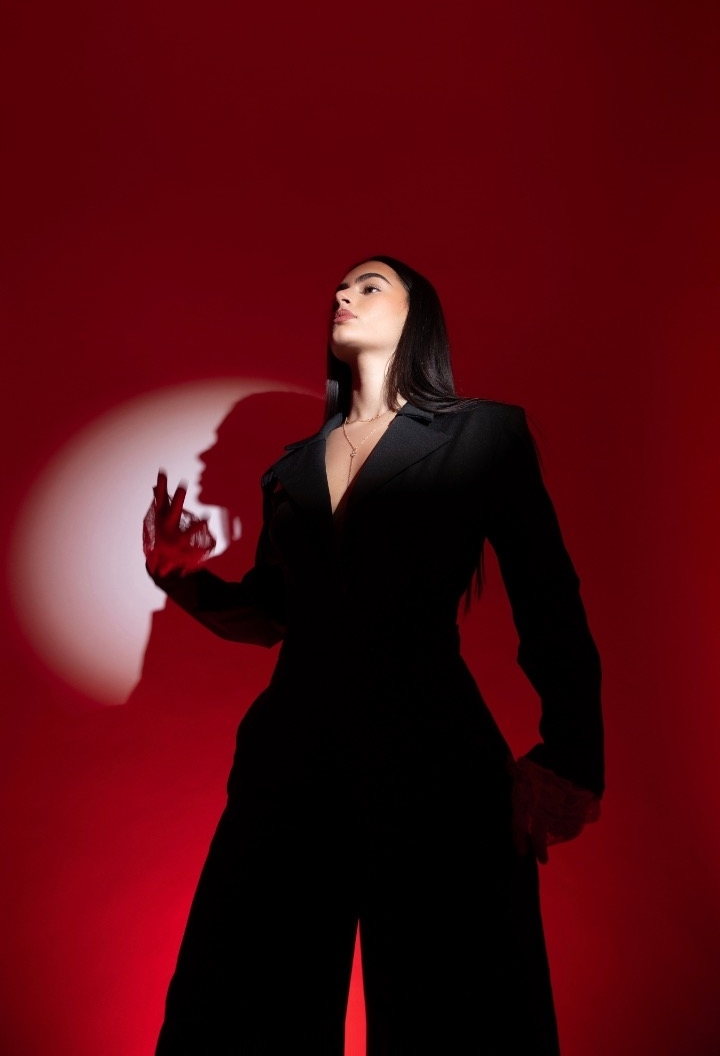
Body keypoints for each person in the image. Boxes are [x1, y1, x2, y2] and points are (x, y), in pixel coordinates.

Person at [144, 255, 604, 1054]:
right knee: (242, 1010)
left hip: (437, 759)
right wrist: (182, 579)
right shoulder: (289, 472)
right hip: (291, 761)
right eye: (340, 287)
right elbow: (276, 615)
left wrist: (571, 758)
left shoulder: (484, 435)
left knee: (457, 1020)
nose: (343, 294)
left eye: (370, 286)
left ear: (417, 317)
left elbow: (549, 598)